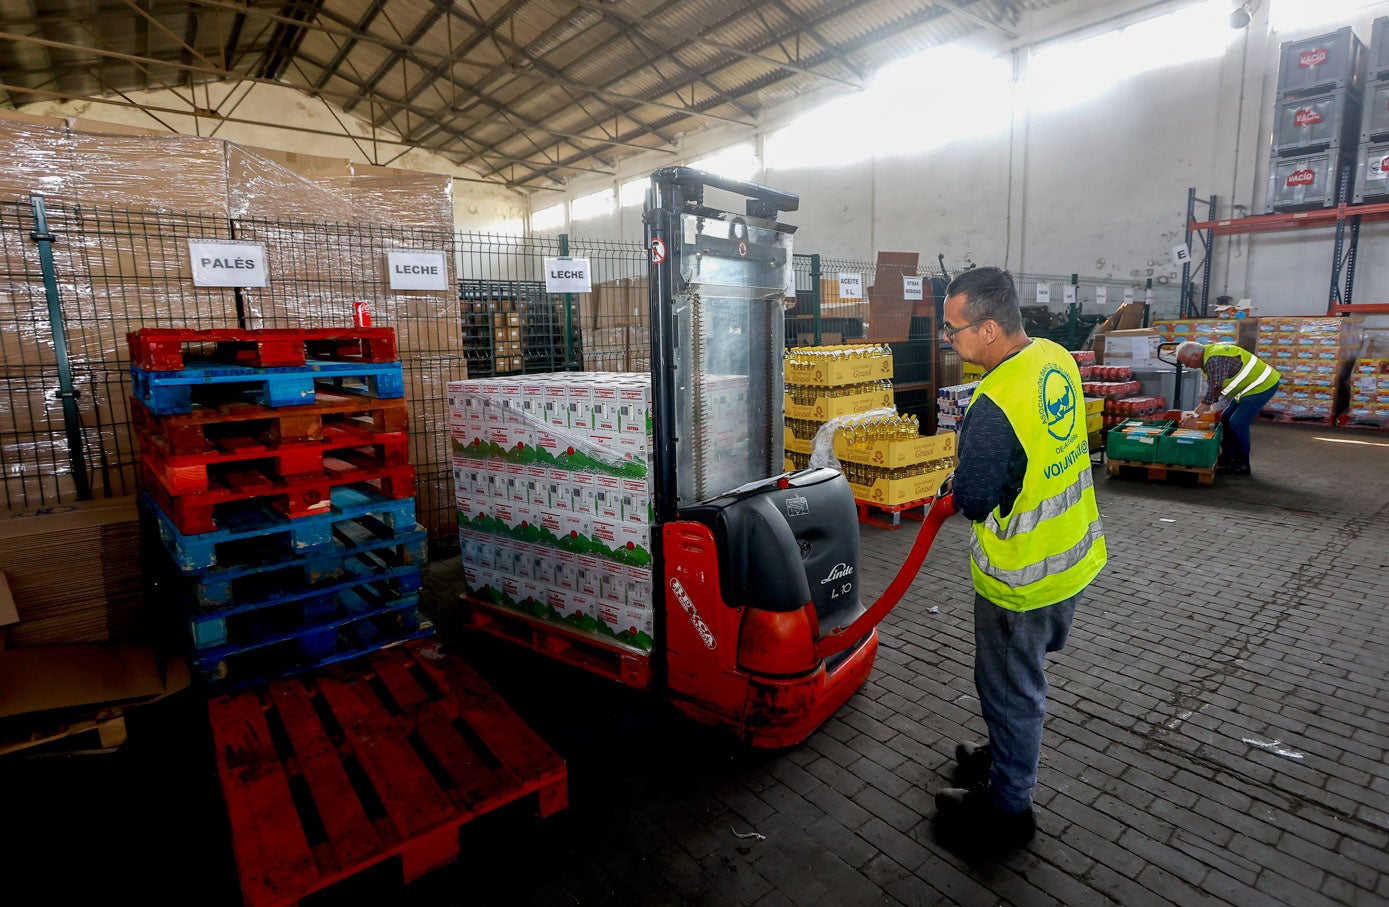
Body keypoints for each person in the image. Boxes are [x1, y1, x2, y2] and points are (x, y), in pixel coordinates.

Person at [933, 267, 1108, 851]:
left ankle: (1009, 810)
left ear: (987, 328)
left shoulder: (995, 401)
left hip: (1022, 579)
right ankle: (1000, 755)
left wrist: (957, 486)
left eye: (952, 330)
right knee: (1016, 684)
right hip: (1073, 557)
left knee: (1011, 689)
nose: (947, 340)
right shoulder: (1055, 356)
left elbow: (978, 499)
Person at [1174, 340, 1281, 476]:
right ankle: (1227, 457)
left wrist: (1195, 415)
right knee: (1225, 417)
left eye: (1187, 363)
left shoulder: (1214, 360)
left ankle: (1242, 464)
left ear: (1195, 355)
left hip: (1261, 386)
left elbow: (1214, 390)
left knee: (1238, 423)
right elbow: (1215, 389)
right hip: (1246, 389)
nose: (1188, 366)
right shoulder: (1208, 356)